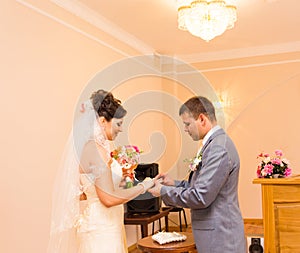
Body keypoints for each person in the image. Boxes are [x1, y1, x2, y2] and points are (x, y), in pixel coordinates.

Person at [47, 89, 154, 253]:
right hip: (102, 232)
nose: (121, 129)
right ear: (103, 121)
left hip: (106, 224)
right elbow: (108, 198)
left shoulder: (94, 148)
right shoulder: (94, 149)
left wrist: (123, 178)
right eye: (118, 124)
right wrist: (144, 186)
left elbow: (86, 192)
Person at [149, 96, 246, 253]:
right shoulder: (213, 144)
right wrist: (173, 183)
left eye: (187, 124)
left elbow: (200, 196)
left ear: (201, 118)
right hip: (215, 234)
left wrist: (162, 191)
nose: (185, 129)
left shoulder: (218, 148)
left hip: (221, 237)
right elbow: (200, 185)